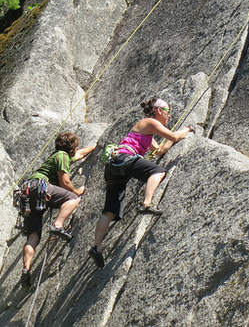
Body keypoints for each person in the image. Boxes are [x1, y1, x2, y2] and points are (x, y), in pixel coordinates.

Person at [88, 97, 193, 268]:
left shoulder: (146, 129)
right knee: (158, 171)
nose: (169, 116)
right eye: (167, 112)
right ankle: (146, 203)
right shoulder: (149, 122)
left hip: (114, 165)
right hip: (125, 159)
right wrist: (187, 130)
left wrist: (174, 138)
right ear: (159, 111)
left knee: (110, 212)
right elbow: (173, 136)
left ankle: (96, 247)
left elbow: (159, 151)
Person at [20, 131, 95, 288]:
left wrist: (95, 147)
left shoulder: (60, 156)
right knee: (72, 199)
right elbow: (65, 182)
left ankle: (26, 268)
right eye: (76, 147)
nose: (77, 149)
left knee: (33, 234)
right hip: (40, 187)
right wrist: (76, 191)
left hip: (28, 194)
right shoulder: (62, 156)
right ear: (72, 147)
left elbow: (79, 154)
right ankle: (57, 225)